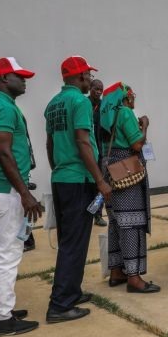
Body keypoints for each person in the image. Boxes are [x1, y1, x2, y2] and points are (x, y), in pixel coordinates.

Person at [0, 57, 42, 337]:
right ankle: (2, 319)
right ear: (4, 79)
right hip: (6, 190)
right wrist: (25, 193)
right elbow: (4, 152)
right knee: (8, 253)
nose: (24, 80)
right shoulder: (3, 108)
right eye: (19, 75)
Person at [44, 56, 111, 322]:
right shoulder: (80, 102)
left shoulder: (53, 104)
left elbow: (50, 143)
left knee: (67, 241)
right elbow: (83, 141)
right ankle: (60, 305)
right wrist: (100, 180)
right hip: (78, 179)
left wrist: (57, 168)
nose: (90, 80)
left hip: (61, 176)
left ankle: (71, 291)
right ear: (81, 77)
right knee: (75, 243)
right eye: (88, 76)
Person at [101, 82, 159, 293]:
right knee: (132, 223)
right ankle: (134, 277)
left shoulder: (104, 116)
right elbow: (136, 145)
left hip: (110, 171)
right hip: (127, 173)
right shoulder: (124, 113)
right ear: (124, 98)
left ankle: (117, 271)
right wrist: (144, 124)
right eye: (131, 94)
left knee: (116, 222)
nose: (133, 98)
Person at [89, 78, 107, 227]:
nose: (99, 91)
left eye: (101, 89)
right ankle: (87, 215)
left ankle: (98, 214)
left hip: (101, 152)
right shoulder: (84, 104)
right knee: (88, 184)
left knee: (100, 184)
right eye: (96, 88)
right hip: (87, 152)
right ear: (90, 88)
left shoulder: (103, 106)